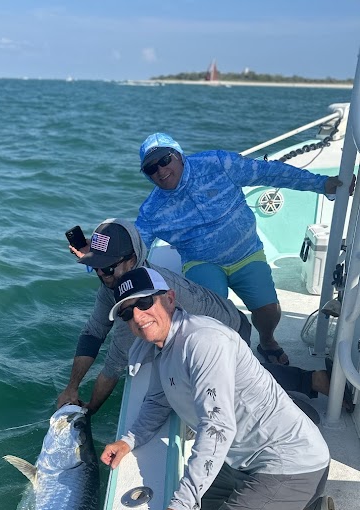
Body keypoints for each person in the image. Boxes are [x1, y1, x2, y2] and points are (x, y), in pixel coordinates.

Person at [101, 265, 360, 510]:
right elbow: (157, 401)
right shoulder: (163, 349)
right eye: (126, 312)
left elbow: (217, 428)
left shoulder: (202, 341)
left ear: (170, 298)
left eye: (145, 301)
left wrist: (181, 503)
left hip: (291, 465)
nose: (137, 314)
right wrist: (129, 440)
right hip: (244, 460)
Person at [57, 218, 340, 419]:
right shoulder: (115, 283)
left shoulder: (142, 298)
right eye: (95, 267)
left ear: (131, 260)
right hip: (212, 318)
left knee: (227, 384)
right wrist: (72, 387)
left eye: (106, 268)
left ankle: (310, 383)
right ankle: (307, 380)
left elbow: (114, 365)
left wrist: (88, 410)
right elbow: (94, 331)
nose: (101, 275)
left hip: (229, 327)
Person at [135, 132, 355, 366]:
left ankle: (267, 341)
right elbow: (134, 246)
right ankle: (227, 359)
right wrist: (100, 258)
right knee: (211, 319)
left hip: (246, 253)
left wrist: (322, 184)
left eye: (164, 160)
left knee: (270, 311)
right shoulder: (152, 211)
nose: (160, 170)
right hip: (201, 261)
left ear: (179, 155)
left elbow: (270, 173)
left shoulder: (218, 164)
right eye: (151, 168)